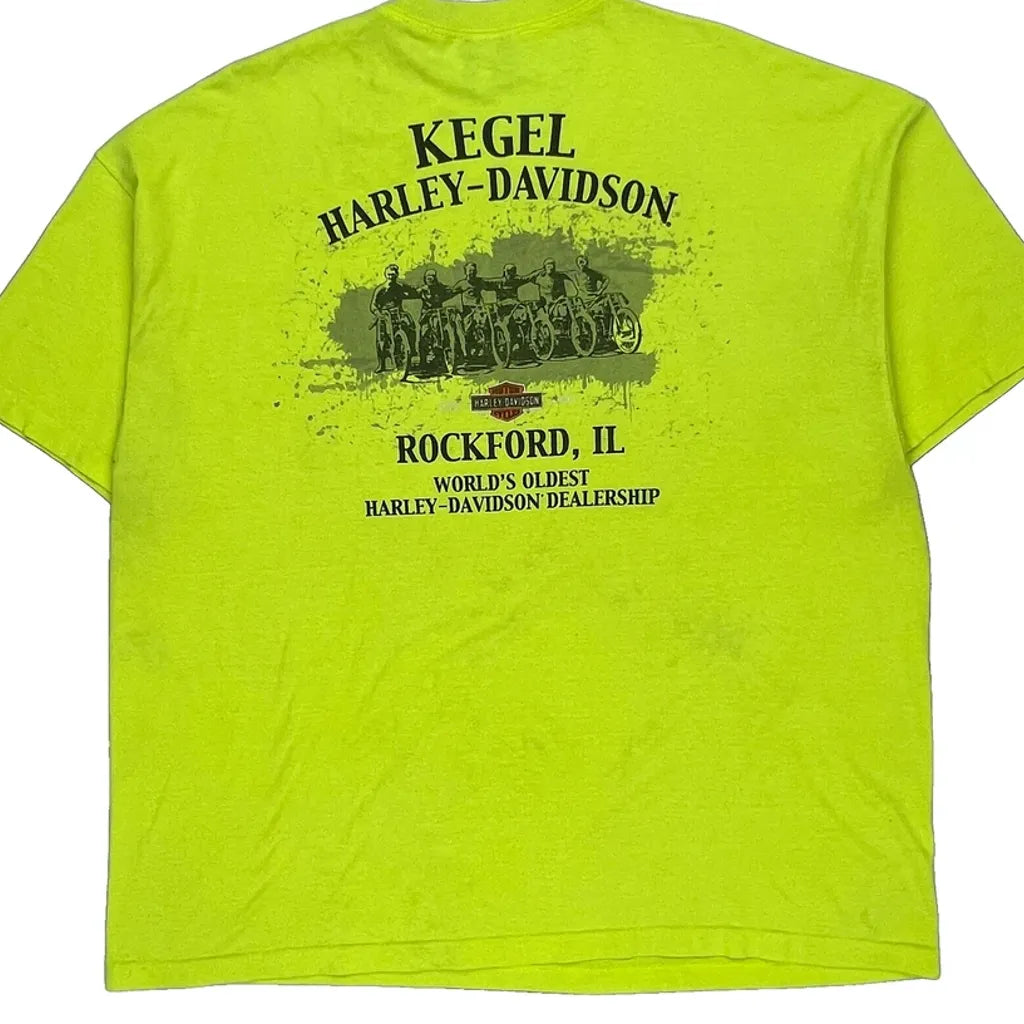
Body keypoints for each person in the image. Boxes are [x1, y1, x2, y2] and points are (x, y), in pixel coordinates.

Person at [369, 264, 418, 372]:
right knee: (381, 340)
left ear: (397, 275)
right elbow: (373, 305)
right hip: (384, 315)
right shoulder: (381, 289)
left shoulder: (400, 286)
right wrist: (378, 313)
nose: (391, 277)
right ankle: (381, 364)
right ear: (385, 275)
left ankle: (412, 349)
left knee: (410, 325)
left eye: (393, 275)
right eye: (389, 275)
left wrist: (413, 293)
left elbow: (413, 291)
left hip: (398, 313)